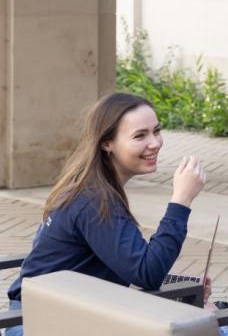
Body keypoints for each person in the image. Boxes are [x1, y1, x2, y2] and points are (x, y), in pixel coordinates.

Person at [6, 93, 207, 336]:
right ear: (107, 143)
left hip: (62, 310)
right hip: (37, 322)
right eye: (140, 135)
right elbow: (147, 273)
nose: (154, 143)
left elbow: (126, 263)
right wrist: (181, 201)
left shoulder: (93, 186)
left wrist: (183, 288)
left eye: (156, 131)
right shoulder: (94, 200)